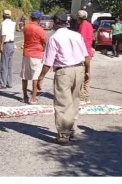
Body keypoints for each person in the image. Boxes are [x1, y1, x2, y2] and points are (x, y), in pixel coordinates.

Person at [37, 10, 89, 145]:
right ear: (66, 22)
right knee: (74, 100)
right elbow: (86, 56)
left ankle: (63, 135)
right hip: (79, 69)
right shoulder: (77, 35)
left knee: (62, 103)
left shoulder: (54, 38)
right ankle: (72, 129)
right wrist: (87, 72)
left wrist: (41, 77)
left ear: (55, 23)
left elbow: (48, 61)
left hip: (64, 71)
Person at [21, 10, 47, 104]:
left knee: (25, 76)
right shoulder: (40, 29)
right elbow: (45, 42)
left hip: (26, 53)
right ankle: (33, 98)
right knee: (35, 77)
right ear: (39, 19)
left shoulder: (26, 27)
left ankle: (24, 96)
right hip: (37, 55)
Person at [76, 10, 95, 104]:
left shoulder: (82, 26)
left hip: (83, 53)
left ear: (79, 18)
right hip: (88, 52)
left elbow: (80, 40)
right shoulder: (89, 25)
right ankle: (87, 96)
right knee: (87, 74)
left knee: (81, 75)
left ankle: (82, 98)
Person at [0, 9, 16, 89]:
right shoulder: (13, 23)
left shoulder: (4, 23)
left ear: (3, 15)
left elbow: (4, 34)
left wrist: (1, 45)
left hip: (6, 44)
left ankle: (3, 83)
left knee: (4, 64)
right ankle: (9, 82)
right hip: (12, 44)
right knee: (10, 65)